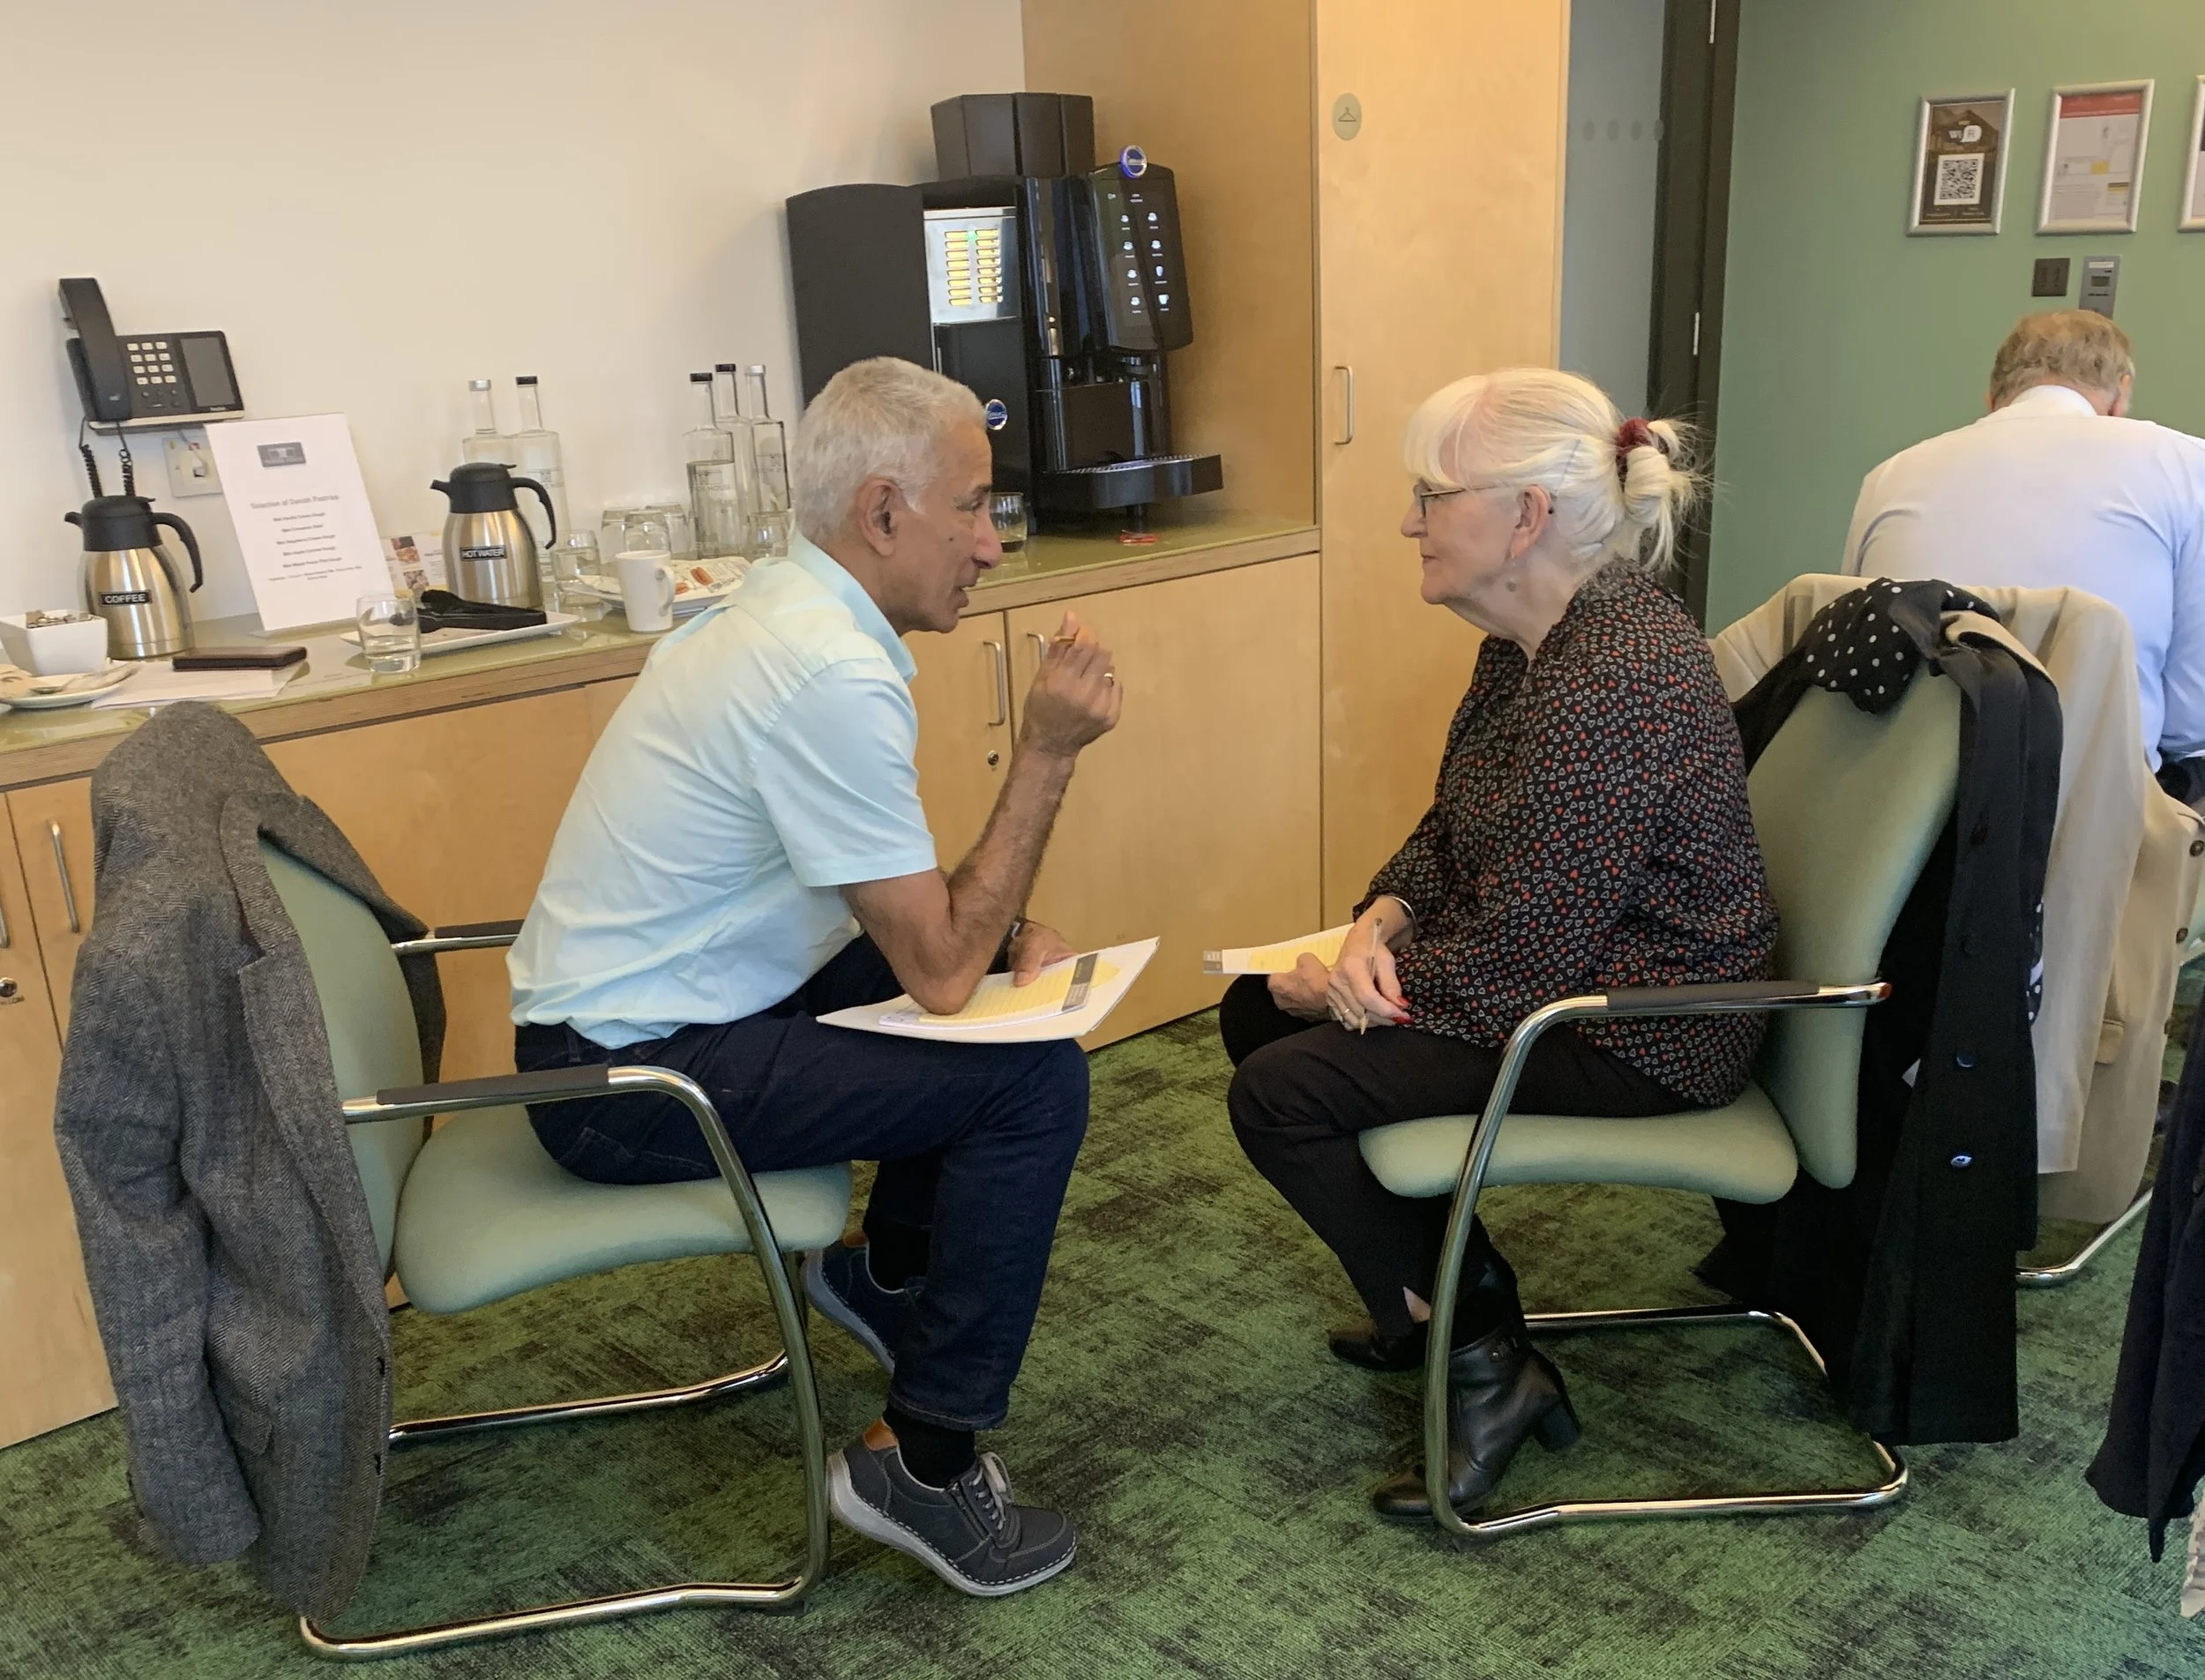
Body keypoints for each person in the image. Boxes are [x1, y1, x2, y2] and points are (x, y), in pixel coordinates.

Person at [506, 356, 1122, 1596]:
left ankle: (886, 1277)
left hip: (637, 1014)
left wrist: (994, 939)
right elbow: (938, 972)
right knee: (1031, 1082)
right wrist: (1048, 752)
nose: (994, 547)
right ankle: (926, 1462)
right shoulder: (824, 671)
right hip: (627, 1083)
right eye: (974, 507)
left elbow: (907, 920)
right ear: (883, 513)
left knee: (982, 983)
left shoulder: (781, 610)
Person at [1221, 368, 1779, 1519]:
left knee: (1282, 1090)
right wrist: (1379, 919)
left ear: (1526, 518)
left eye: (1434, 493)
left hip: (1644, 1028)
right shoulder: (1526, 641)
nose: (1410, 520)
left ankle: (1480, 1355)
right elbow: (1452, 827)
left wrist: (1347, 991)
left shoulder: (1611, 676)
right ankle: (1450, 1305)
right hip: (1562, 978)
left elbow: (1513, 969)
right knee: (1254, 1015)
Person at [1841, 310, 2205, 788]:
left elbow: (1850, 652)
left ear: (1993, 400)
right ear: (2118, 399)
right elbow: (2191, 719)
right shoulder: (2186, 465)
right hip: (2090, 806)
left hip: (1904, 800)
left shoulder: (1889, 476)